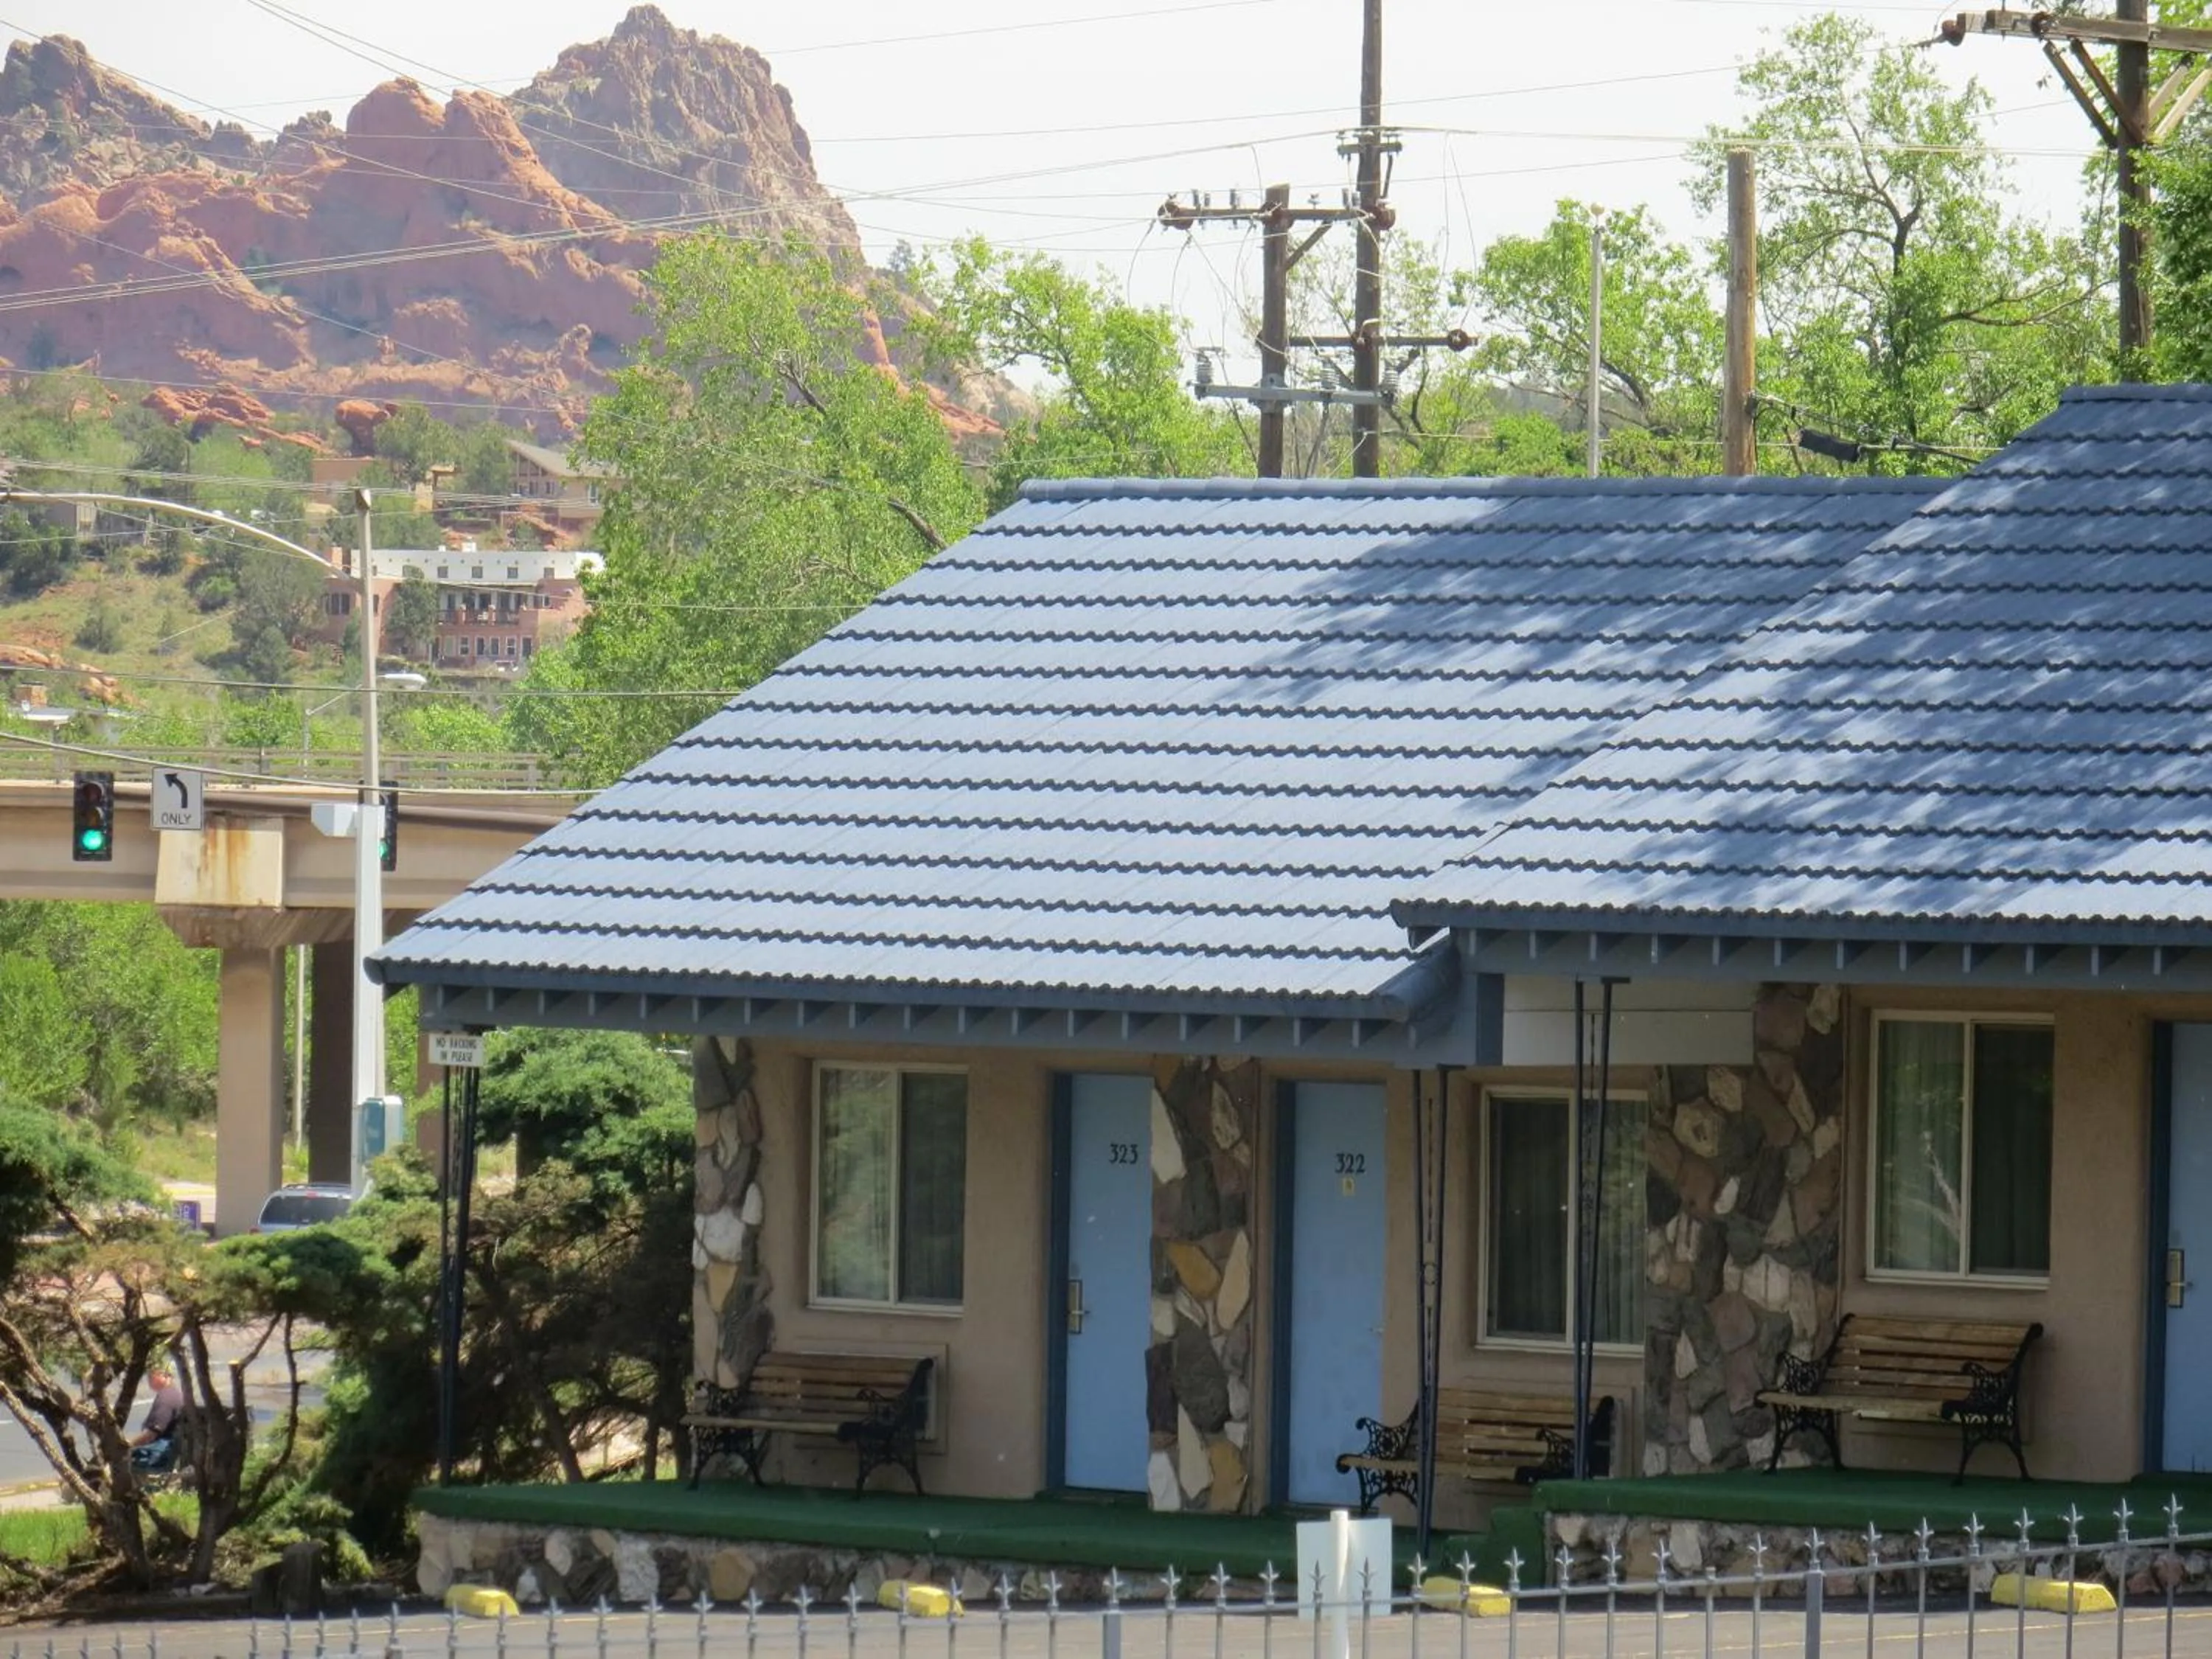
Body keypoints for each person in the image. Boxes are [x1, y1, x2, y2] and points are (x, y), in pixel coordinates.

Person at [130, 1363, 184, 1472]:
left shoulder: (166, 1398)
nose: (149, 1379)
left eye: (152, 1375)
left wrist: (128, 1445)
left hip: (161, 1454)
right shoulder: (173, 1393)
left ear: (165, 1376)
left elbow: (152, 1434)